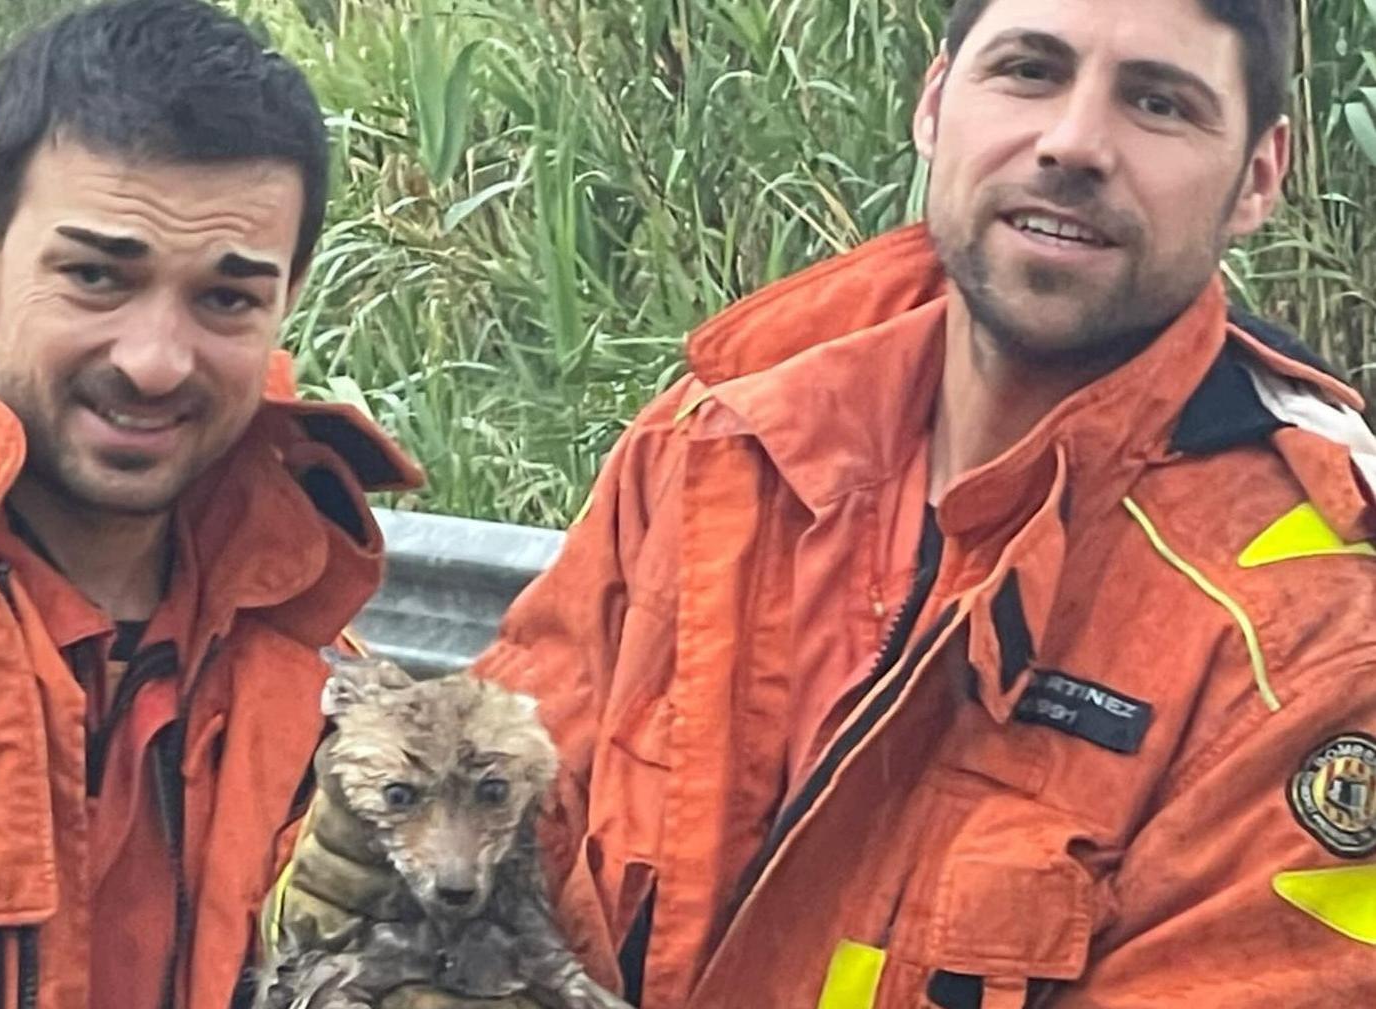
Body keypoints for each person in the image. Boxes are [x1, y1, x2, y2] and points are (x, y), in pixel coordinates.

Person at [319, 0, 1372, 1005]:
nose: (1073, 141)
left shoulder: (1314, 634)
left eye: (1157, 102)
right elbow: (505, 841)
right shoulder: (715, 447)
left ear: (1257, 177)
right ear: (932, 102)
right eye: (1028, 70)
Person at [0, 1, 423, 1007]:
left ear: (288, 293)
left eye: (226, 297)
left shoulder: (336, 716)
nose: (155, 362)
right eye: (97, 276)